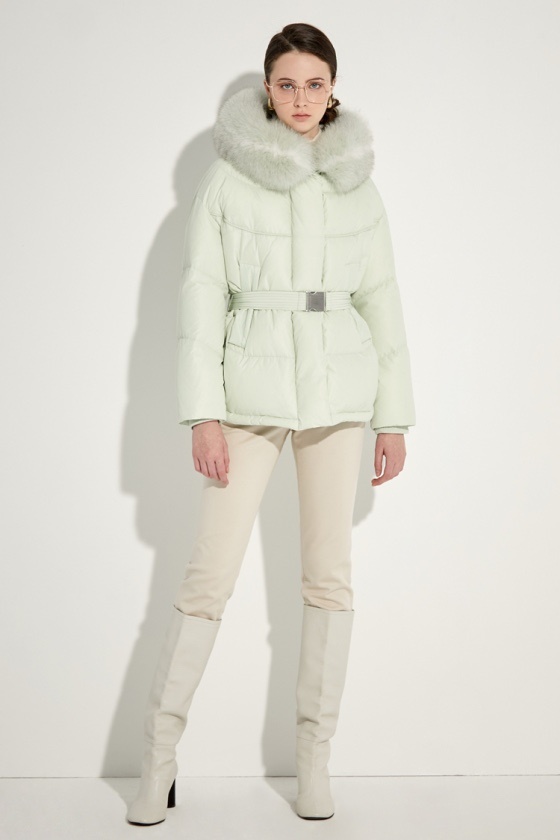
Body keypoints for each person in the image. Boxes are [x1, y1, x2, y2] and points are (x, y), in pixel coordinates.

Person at [127, 21, 416, 826]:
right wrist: (203, 414)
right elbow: (200, 298)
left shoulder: (359, 187)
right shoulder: (228, 180)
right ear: (267, 89)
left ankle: (315, 764)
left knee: (329, 578)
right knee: (207, 577)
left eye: (314, 84)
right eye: (286, 84)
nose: (300, 98)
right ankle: (158, 761)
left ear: (333, 90)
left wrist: (393, 419)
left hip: (339, 397)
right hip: (247, 398)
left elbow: (382, 302)